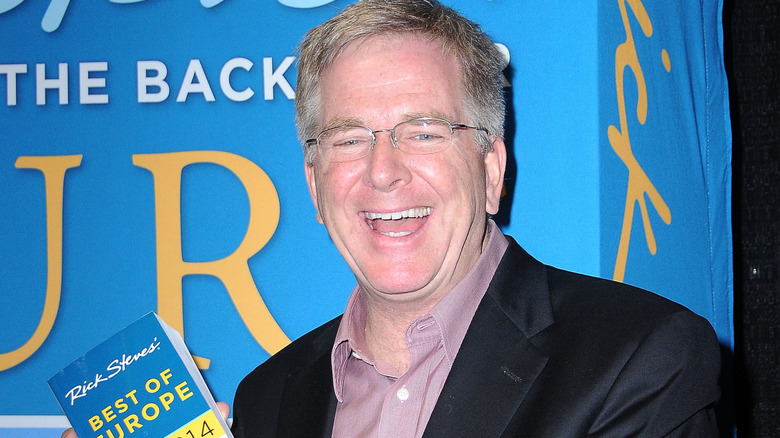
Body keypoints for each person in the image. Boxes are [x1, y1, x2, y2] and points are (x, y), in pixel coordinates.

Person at [64, 1, 721, 437]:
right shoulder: (269, 400)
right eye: (349, 139)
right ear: (315, 185)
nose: (383, 171)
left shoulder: (639, 357)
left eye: (424, 132)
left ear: (491, 168)